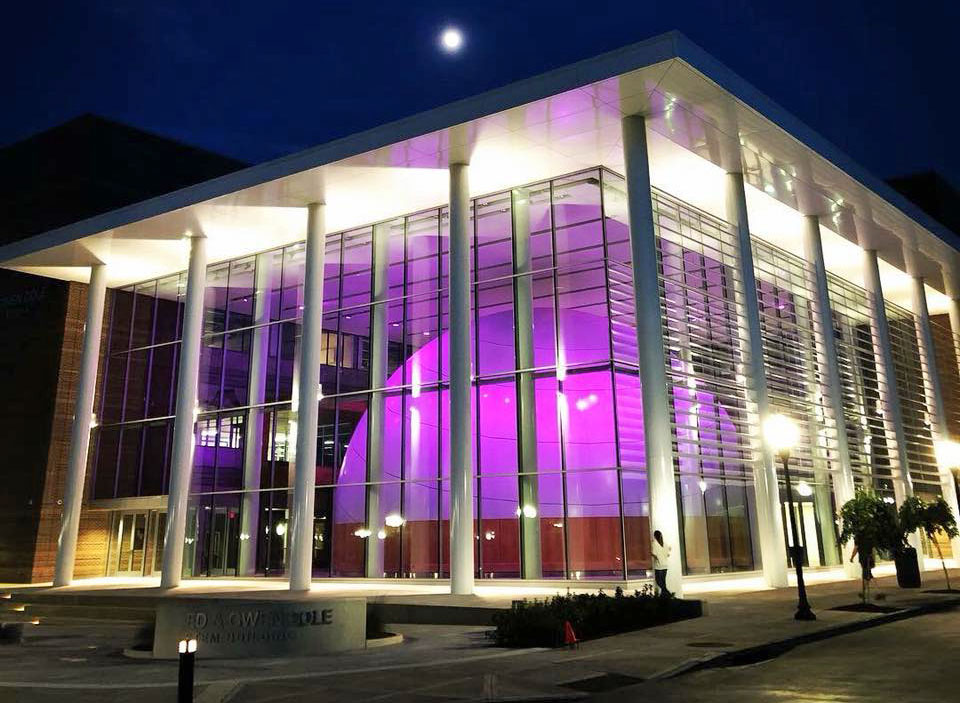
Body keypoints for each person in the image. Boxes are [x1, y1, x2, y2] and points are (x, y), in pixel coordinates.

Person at [651, 530, 673, 597]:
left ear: (655, 536)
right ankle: (665, 596)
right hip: (665, 565)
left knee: (658, 581)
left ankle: (667, 593)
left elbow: (654, 554)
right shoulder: (665, 544)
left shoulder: (654, 543)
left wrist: (651, 554)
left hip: (659, 565)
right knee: (663, 581)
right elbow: (668, 554)